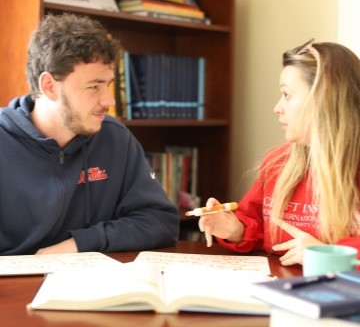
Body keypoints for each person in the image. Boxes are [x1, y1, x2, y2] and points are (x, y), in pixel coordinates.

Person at [0, 13, 179, 255]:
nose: (109, 100)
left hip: (88, 284)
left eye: (108, 84)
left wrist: (79, 244)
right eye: (94, 86)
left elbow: (161, 222)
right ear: (49, 86)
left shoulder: (115, 138)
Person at [199, 39, 360, 266]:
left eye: (287, 95)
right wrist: (235, 229)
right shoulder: (278, 162)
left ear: (324, 99)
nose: (277, 108)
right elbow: (256, 226)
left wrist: (326, 253)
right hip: (280, 287)